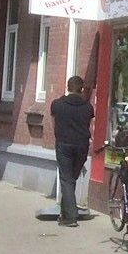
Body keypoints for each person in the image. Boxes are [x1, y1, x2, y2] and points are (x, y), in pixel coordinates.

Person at [50, 76, 94, 227]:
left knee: (67, 179)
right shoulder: (88, 107)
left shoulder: (57, 104)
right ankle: (65, 213)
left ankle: (71, 217)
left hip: (64, 144)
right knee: (70, 179)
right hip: (82, 146)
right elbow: (89, 125)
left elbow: (53, 123)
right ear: (81, 89)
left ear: (68, 87)